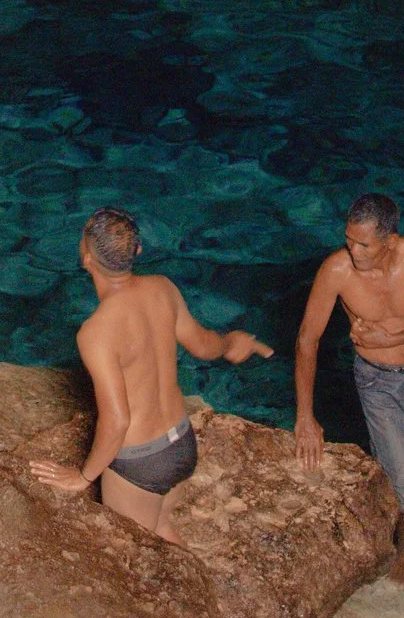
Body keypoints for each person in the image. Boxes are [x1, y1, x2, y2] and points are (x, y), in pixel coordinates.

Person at [30, 209, 272, 540]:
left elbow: (117, 421)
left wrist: (84, 477)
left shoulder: (96, 333)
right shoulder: (163, 288)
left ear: (86, 258)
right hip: (181, 443)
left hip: (140, 464)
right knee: (160, 527)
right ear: (138, 252)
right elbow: (204, 346)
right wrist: (231, 341)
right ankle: (200, 590)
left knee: (134, 559)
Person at [293, 191, 404, 582]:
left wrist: (393, 338)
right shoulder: (336, 271)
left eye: (364, 244)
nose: (354, 250)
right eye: (349, 239)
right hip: (377, 383)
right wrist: (306, 416)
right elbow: (307, 339)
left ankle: (394, 522)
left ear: (390, 241)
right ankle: (402, 551)